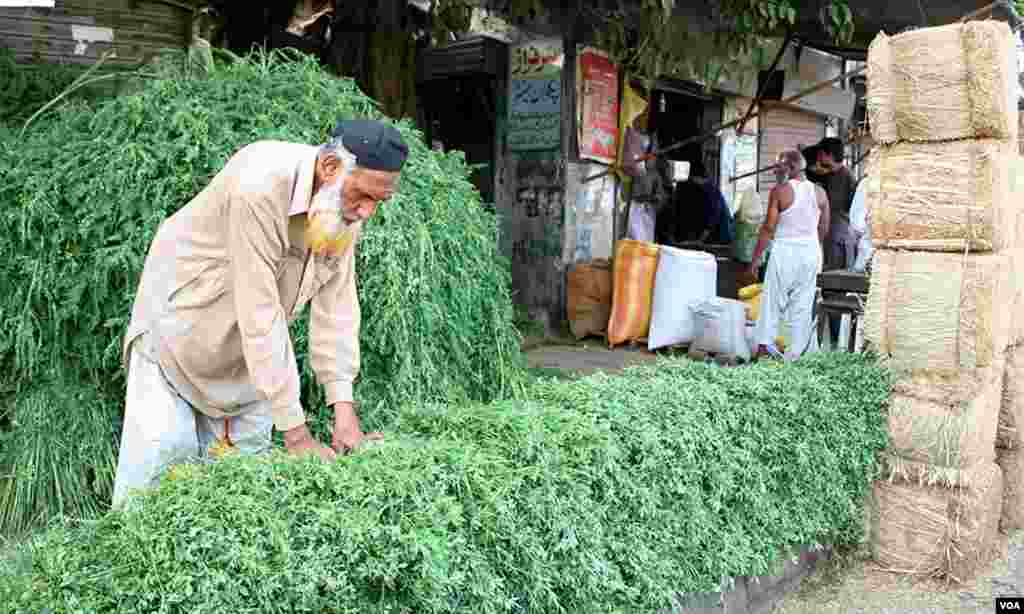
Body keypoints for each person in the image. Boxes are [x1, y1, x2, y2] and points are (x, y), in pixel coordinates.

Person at [112, 119, 409, 508]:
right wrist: (297, 436)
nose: (367, 212)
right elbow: (260, 313)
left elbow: (337, 309)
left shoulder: (342, 205)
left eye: (378, 202)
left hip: (248, 357)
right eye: (364, 196)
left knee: (242, 493)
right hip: (179, 333)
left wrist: (344, 411)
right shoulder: (260, 184)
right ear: (331, 168)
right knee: (157, 484)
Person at [748, 149, 830, 361]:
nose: (776, 169)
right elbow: (824, 227)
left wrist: (755, 259)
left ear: (792, 167)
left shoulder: (779, 191)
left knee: (772, 300)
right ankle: (796, 354)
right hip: (811, 253)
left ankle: (764, 349)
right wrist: (812, 246)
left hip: (785, 251)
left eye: (779, 165)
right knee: (803, 304)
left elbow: (768, 228)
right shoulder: (820, 193)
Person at [654, 158, 735, 246]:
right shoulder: (708, 189)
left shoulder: (710, 192)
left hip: (722, 238)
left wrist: (698, 241)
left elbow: (711, 220)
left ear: (694, 177)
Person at [815, 138, 858, 271]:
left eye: (821, 154)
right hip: (830, 235)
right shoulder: (830, 175)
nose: (819, 158)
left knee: (836, 278)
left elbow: (847, 209)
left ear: (830, 156)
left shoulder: (846, 177)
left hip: (840, 236)